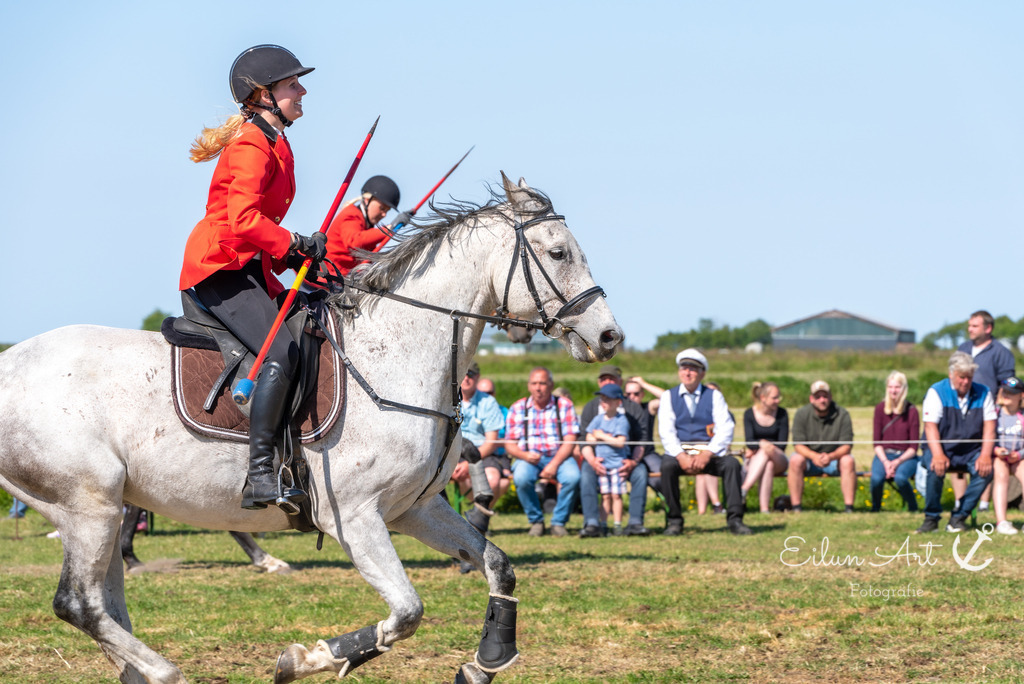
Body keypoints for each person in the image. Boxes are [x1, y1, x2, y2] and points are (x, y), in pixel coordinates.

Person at [179, 45, 322, 511]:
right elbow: (241, 220)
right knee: (279, 351)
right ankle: (259, 474)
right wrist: (293, 243)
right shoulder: (250, 145)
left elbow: (259, 226)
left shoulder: (278, 143)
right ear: (264, 95)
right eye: (292, 85)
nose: (302, 91)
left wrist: (297, 257)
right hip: (219, 268)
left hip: (250, 265)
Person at [658, 349, 751, 536]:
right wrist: (681, 456)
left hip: (710, 453)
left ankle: (735, 520)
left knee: (732, 464)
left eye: (693, 369)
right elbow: (666, 431)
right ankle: (674, 521)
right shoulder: (669, 396)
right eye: (684, 368)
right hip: (681, 452)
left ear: (702, 373)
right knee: (667, 466)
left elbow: (725, 428)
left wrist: (708, 453)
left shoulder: (714, 396)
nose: (688, 372)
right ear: (679, 372)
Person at [916, 352, 996, 533]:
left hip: (970, 450)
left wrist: (985, 455)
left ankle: (959, 517)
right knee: (934, 468)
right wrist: (937, 454)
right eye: (962, 377)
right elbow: (930, 427)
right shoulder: (936, 392)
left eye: (969, 377)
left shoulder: (984, 393)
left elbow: (990, 427)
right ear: (951, 374)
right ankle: (931, 517)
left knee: (986, 472)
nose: (966, 382)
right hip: (940, 447)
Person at [506, 368, 581, 536]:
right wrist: (525, 455)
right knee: (521, 478)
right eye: (534, 383)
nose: (538, 388)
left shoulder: (564, 405)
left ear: (551, 385)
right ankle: (536, 521)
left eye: (542, 383)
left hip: (559, 456)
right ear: (529, 386)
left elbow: (570, 440)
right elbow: (509, 444)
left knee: (573, 477)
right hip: (529, 457)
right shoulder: (518, 407)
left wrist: (554, 464)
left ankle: (559, 522)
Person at [577, 366, 650, 538]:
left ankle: (634, 523)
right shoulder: (591, 408)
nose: (607, 383)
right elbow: (584, 439)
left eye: (612, 380)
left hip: (626, 459)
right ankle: (592, 524)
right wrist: (593, 461)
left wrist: (633, 462)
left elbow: (642, 440)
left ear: (620, 383)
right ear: (598, 383)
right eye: (604, 380)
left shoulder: (633, 409)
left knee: (641, 474)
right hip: (597, 459)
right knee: (586, 473)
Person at [955, 310, 1014, 512]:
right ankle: (959, 500)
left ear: (988, 328)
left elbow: (1006, 385)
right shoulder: (963, 349)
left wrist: (997, 408)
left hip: (989, 412)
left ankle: (983, 502)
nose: (969, 329)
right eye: (969, 325)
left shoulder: (1001, 352)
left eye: (974, 326)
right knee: (959, 448)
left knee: (985, 453)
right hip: (962, 409)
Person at [450, 362, 506, 537]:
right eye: (464, 373)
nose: (466, 378)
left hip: (481, 453)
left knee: (494, 481)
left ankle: (477, 523)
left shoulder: (488, 402)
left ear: (477, 378)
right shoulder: (448, 398)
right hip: (450, 455)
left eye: (471, 374)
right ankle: (458, 527)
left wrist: (469, 463)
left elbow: (491, 442)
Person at [322, 175, 411, 277]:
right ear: (367, 200)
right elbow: (355, 241)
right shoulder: (351, 214)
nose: (384, 214)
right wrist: (390, 228)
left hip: (339, 279)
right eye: (382, 208)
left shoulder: (367, 227)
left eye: (387, 211)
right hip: (323, 276)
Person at [788, 380, 857, 513]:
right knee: (795, 460)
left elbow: (846, 446)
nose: (822, 400)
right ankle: (796, 508)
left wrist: (830, 457)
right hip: (809, 459)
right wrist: (814, 456)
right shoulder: (801, 414)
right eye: (818, 397)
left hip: (834, 459)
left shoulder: (842, 414)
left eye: (825, 396)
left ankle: (849, 508)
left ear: (830, 397)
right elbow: (798, 445)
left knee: (848, 460)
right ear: (811, 399)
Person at [583, 385, 632, 535]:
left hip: (617, 465)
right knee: (605, 495)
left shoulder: (621, 420)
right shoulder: (598, 419)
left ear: (618, 402)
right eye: (602, 399)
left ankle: (617, 524)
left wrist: (602, 436)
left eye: (607, 399)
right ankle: (603, 524)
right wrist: (599, 436)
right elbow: (589, 438)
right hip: (603, 465)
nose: (603, 402)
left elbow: (620, 442)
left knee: (616, 496)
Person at [870, 371, 920, 512]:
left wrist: (897, 462)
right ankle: (876, 508)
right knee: (876, 479)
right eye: (891, 387)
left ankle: (913, 507)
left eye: (897, 387)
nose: (893, 390)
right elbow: (876, 443)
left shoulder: (912, 411)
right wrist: (886, 462)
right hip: (884, 455)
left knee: (900, 478)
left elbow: (914, 447)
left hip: (906, 456)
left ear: (904, 389)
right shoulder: (880, 409)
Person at [741, 382, 789, 514]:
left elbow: (782, 444)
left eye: (778, 397)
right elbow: (749, 442)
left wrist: (763, 444)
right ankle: (764, 509)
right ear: (763, 397)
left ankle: (744, 488)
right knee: (768, 465)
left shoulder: (782, 414)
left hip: (779, 458)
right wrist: (761, 444)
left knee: (767, 451)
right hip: (759, 460)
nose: (777, 400)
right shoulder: (749, 414)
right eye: (774, 397)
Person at [991, 377, 1024, 534]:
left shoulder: (1022, 416)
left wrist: (1018, 455)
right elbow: (987, 437)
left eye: (1012, 393)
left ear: (1021, 396)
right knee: (1001, 476)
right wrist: (996, 450)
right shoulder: (995, 413)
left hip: (1019, 457)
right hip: (999, 456)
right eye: (1005, 392)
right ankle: (1002, 521)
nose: (1007, 395)